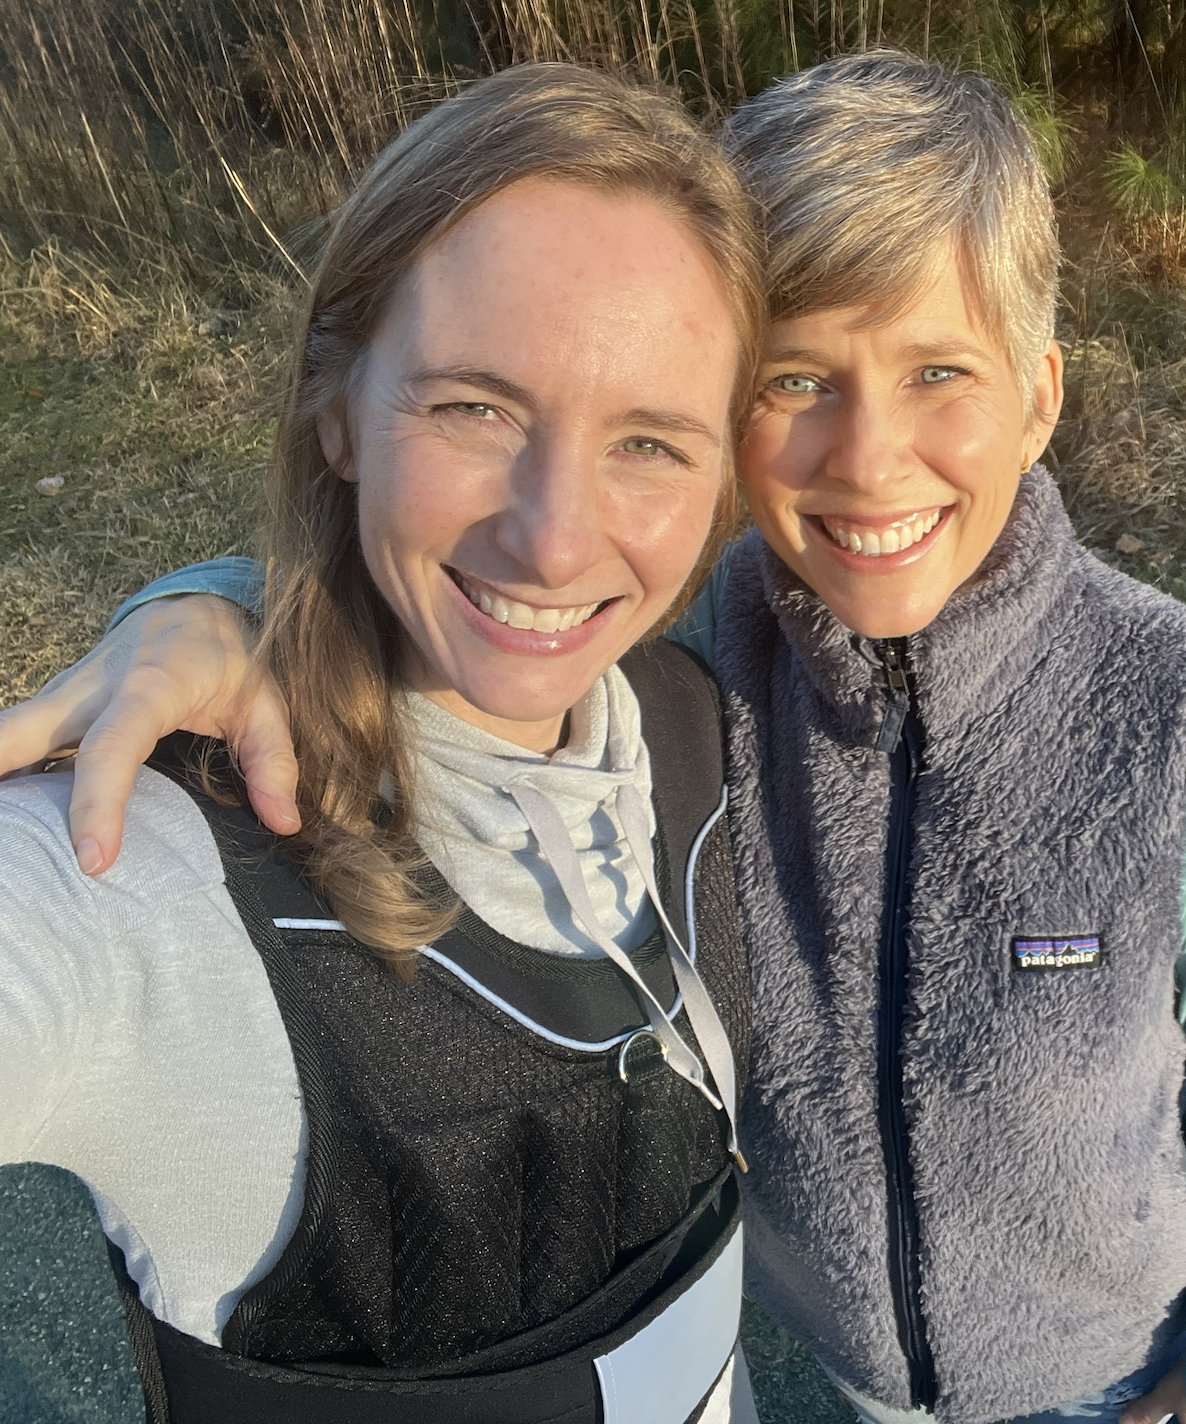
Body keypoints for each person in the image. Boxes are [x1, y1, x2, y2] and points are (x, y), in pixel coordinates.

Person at [0, 53, 1186, 1424]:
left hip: (1104, 1389)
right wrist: (225, 603)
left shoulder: (1168, 718)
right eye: (797, 378)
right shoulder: (703, 680)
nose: (868, 458)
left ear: (1041, 395)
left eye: (938, 369)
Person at [0, 62, 766, 1424]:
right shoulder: (142, 873)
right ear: (335, 405)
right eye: (473, 408)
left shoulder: (701, 727)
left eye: (648, 442)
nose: (553, 536)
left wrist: (215, 598)